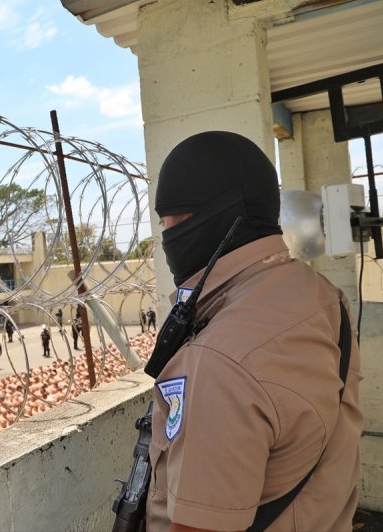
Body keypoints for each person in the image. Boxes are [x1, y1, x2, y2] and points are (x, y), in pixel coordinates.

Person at [146, 131, 362, 531]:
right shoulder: (322, 294)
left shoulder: (219, 360)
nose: (165, 232)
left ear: (212, 217)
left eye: (170, 218)